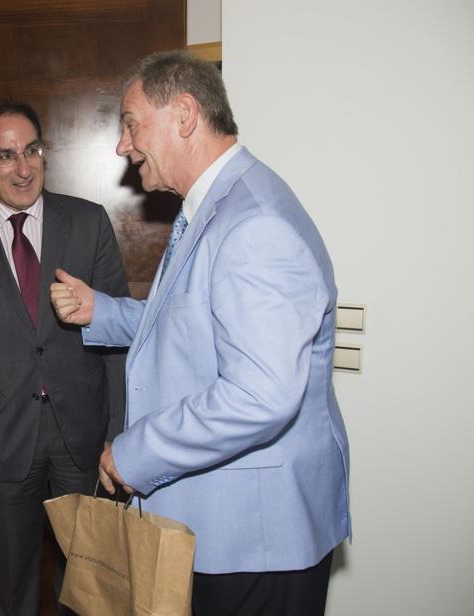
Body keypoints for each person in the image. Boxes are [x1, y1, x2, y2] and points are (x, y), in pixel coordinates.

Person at [50, 50, 351, 616]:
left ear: (184, 115)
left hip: (256, 540)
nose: (122, 145)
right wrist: (103, 312)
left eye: (131, 123)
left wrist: (135, 453)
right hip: (228, 526)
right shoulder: (219, 205)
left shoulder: (253, 222)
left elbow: (260, 395)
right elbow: (191, 322)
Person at [0, 102, 129, 615]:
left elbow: (117, 337)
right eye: (5, 154)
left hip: (81, 433)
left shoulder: (88, 222)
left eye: (32, 150)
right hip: (1, 439)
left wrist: (118, 431)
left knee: (86, 577)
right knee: (13, 579)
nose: (23, 167)